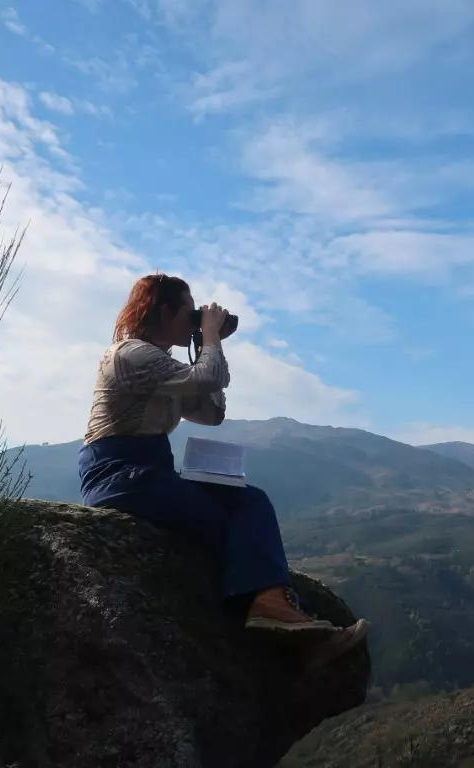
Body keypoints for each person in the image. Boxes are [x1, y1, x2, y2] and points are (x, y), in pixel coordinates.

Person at [76, 272, 368, 664]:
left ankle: (276, 610)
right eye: (188, 313)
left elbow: (212, 412)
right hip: (118, 474)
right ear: (164, 312)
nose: (194, 321)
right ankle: (282, 619)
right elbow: (208, 376)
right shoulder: (130, 354)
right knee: (224, 526)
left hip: (150, 472)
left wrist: (204, 343)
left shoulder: (163, 370)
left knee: (251, 502)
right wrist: (211, 336)